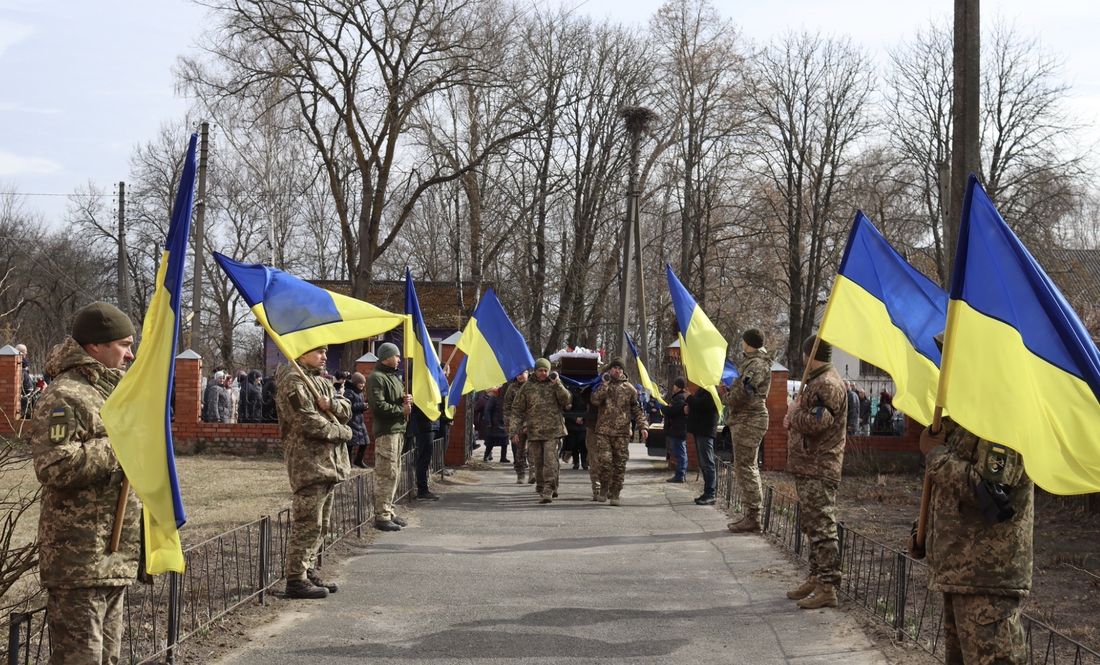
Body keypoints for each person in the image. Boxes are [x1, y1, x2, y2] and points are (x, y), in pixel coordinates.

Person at [907, 331, 1033, 664]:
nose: (946, 370)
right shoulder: (966, 418)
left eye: (953, 360)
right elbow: (952, 498)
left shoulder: (1001, 418)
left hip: (987, 584)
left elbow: (989, 494)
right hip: (961, 576)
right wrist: (925, 535)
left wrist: (936, 457)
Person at [32, 301, 140, 664]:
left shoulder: (112, 391)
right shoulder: (66, 395)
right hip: (79, 557)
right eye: (124, 344)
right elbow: (55, 466)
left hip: (112, 554)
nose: (130, 354)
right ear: (96, 345)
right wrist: (120, 445)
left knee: (107, 659)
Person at [275, 345, 352, 599]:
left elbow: (346, 408)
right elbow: (306, 421)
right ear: (301, 353)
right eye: (319, 351)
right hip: (309, 464)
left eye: (325, 352)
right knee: (308, 523)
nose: (325, 356)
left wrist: (332, 403)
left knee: (322, 525)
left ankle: (306, 571)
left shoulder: (321, 381)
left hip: (329, 463)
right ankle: (295, 579)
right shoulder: (292, 383)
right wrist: (342, 433)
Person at [783, 335, 847, 609]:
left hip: (819, 467)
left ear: (810, 355)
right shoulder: (818, 381)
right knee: (811, 526)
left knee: (822, 527)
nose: (801, 359)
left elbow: (818, 422)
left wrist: (794, 413)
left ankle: (827, 587)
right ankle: (816, 578)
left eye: (803, 354)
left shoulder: (827, 384)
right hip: (809, 466)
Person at [719, 328, 772, 532]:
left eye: (743, 341)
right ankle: (751, 514)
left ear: (748, 343)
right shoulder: (754, 363)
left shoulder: (756, 365)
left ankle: (753, 517)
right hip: (746, 420)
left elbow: (743, 395)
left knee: (746, 468)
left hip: (749, 421)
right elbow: (744, 391)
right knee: (746, 467)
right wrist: (731, 391)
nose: (741, 343)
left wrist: (726, 396)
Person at [509, 358, 571, 504]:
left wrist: (558, 384)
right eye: (540, 370)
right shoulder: (527, 387)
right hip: (535, 432)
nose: (543, 373)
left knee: (550, 461)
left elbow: (567, 400)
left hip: (553, 431)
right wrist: (513, 432)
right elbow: (517, 410)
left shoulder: (554, 385)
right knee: (538, 463)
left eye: (545, 370)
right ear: (535, 372)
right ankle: (542, 487)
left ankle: (548, 489)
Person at [366, 342, 411, 532]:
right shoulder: (377, 378)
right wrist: (401, 409)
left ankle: (389, 510)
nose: (399, 359)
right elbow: (378, 407)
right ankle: (381, 515)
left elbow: (395, 400)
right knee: (386, 473)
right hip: (387, 431)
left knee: (394, 473)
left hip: (397, 430)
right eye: (396, 355)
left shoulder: (393, 378)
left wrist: (405, 401)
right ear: (386, 357)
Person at [589, 357, 647, 506]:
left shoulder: (629, 389)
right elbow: (595, 401)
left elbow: (637, 409)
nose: (617, 371)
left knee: (620, 464)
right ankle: (603, 488)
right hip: (604, 431)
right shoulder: (602, 385)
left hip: (621, 432)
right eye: (615, 368)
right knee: (605, 462)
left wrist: (643, 427)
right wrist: (604, 385)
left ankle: (615, 493)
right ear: (610, 369)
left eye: (620, 368)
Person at [686, 382, 719, 505]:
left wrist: (689, 398)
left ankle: (711, 493)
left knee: (707, 462)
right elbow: (697, 406)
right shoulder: (703, 388)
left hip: (705, 430)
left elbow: (704, 405)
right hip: (699, 429)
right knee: (703, 463)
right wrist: (688, 408)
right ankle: (707, 492)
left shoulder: (711, 388)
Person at [407, 396, 440, 501]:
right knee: (423, 458)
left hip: (429, 424)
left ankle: (423, 488)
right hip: (424, 425)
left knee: (425, 458)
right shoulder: (417, 384)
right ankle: (422, 490)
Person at [502, 369, 531, 484]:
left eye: (522, 373)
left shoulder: (533, 386)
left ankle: (533, 472)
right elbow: (507, 407)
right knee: (520, 450)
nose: (519, 376)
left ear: (528, 373)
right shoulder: (512, 388)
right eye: (517, 374)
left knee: (534, 449)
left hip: (533, 422)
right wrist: (508, 425)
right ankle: (520, 473)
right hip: (517, 422)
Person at [662, 377, 689, 483]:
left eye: (675, 385)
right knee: (681, 452)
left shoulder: (679, 398)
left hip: (677, 429)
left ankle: (680, 475)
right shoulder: (681, 397)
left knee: (680, 453)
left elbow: (671, 410)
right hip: (678, 429)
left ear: (678, 387)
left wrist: (663, 409)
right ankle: (681, 473)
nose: (673, 387)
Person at [344, 372, 370, 468]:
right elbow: (348, 406)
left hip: (359, 421)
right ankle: (348, 463)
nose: (362, 385)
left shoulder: (360, 392)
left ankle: (358, 460)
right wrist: (361, 406)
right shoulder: (349, 392)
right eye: (360, 383)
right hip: (352, 421)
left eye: (363, 383)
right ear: (355, 383)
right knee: (350, 444)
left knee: (365, 441)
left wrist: (364, 407)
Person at [483, 387, 510, 464]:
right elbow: (487, 411)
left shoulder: (507, 399)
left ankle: (503, 457)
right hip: (493, 424)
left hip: (503, 423)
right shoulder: (493, 399)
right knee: (490, 442)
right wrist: (488, 422)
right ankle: (486, 455)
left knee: (504, 442)